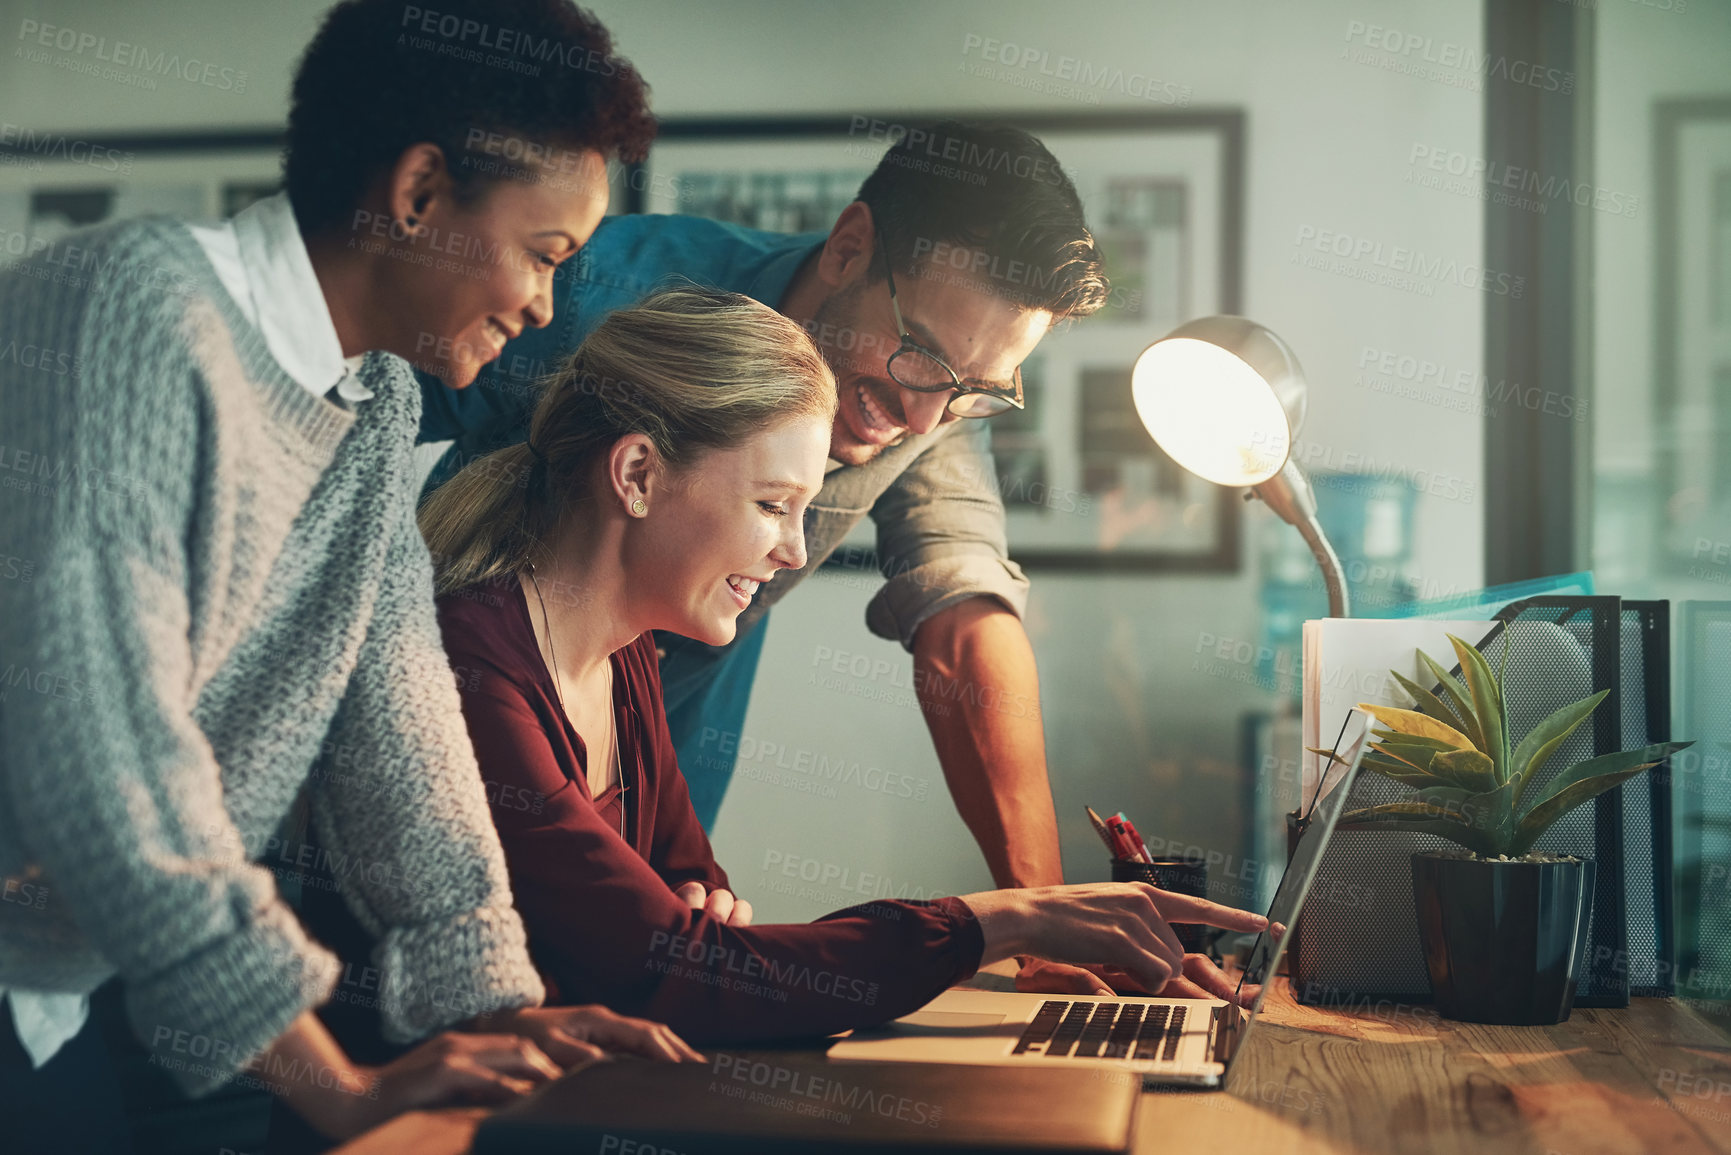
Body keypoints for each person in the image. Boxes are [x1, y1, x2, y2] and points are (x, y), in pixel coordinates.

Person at [0, 2, 701, 1148]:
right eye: (545, 253)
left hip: (56, 989)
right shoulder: (136, 313)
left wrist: (506, 1013)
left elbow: (400, 717)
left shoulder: (371, 407)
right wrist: (344, 1091)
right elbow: (104, 753)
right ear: (419, 192)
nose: (541, 304)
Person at [415, 285, 1268, 1041]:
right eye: (771, 505)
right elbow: (685, 971)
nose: (793, 551)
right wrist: (1000, 922)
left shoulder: (624, 654)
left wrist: (684, 934)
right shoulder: (472, 670)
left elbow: (691, 905)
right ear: (637, 473)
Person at [417, 121, 1120, 995]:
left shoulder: (928, 402)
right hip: (462, 723)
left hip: (652, 745)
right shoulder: (593, 291)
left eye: (975, 392)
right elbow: (353, 406)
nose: (926, 418)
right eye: (927, 358)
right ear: (851, 247)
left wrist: (1050, 915)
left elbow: (966, 615)